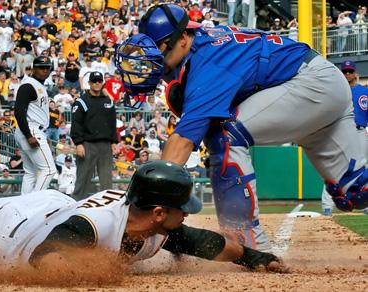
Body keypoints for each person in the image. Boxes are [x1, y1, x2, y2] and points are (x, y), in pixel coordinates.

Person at [0, 87, 287, 272]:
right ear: (159, 211)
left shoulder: (153, 222)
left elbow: (199, 241)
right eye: (182, 208)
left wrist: (254, 258)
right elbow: (45, 260)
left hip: (52, 207)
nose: (187, 215)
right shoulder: (93, 228)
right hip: (11, 227)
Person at [117, 4, 368, 251]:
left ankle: (246, 246)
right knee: (356, 192)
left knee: (224, 134)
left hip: (311, 85)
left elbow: (182, 141)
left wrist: (146, 200)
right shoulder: (198, 46)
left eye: (159, 47)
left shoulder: (207, 62)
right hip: (318, 86)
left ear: (183, 37)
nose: (154, 58)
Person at [322, 60, 368, 216]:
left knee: (363, 170)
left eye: (350, 71)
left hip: (360, 132)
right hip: (341, 132)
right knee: (334, 169)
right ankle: (327, 205)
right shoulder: (336, 91)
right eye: (345, 71)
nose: (347, 74)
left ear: (355, 73)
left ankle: (365, 204)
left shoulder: (364, 92)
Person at [70, 71, 118, 200]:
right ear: (89, 83)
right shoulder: (81, 102)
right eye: (94, 81)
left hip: (105, 145)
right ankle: (75, 207)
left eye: (99, 81)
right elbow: (76, 124)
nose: (97, 83)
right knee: (83, 179)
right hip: (88, 144)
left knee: (107, 181)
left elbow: (112, 123)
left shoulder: (108, 101)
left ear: (102, 83)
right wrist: (79, 143)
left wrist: (114, 142)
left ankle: (108, 207)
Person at [14, 56, 57, 193]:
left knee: (30, 173)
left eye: (47, 68)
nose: (44, 70)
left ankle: (24, 205)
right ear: (33, 68)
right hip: (30, 129)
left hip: (34, 130)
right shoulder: (28, 85)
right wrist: (28, 135)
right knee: (49, 170)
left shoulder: (37, 85)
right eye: (41, 67)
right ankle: (35, 202)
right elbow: (19, 111)